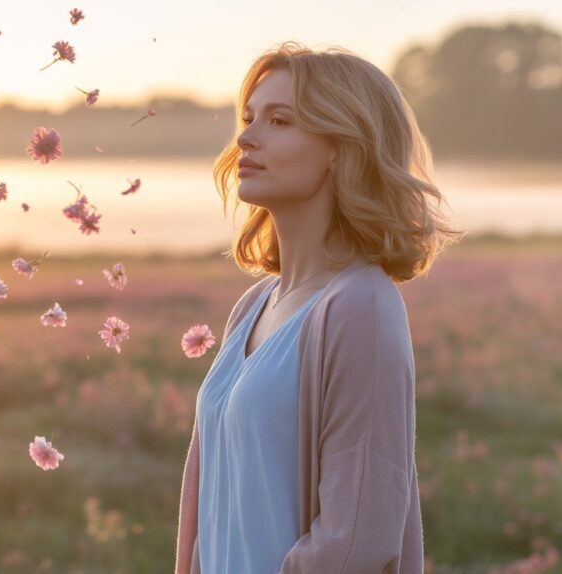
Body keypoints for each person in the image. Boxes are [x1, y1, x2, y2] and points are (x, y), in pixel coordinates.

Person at [175, 42, 464, 574]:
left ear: (342, 146)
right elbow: (215, 503)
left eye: (279, 120)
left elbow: (357, 540)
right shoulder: (254, 304)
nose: (245, 138)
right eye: (248, 117)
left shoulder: (362, 308)